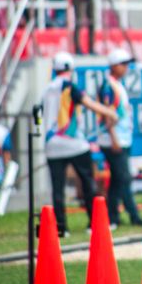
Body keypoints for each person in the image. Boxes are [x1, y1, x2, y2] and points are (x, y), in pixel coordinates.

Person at [42, 52, 117, 235]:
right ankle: (94, 224)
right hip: (74, 143)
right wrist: (110, 113)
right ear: (70, 69)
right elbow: (88, 103)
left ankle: (61, 229)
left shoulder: (46, 90)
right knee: (88, 182)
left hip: (52, 145)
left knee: (57, 189)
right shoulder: (69, 86)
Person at [99, 48, 142, 227]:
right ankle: (126, 216)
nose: (127, 68)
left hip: (122, 138)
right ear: (114, 65)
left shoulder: (116, 84)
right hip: (114, 139)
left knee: (119, 179)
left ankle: (116, 217)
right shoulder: (108, 86)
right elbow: (106, 113)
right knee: (122, 178)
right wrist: (114, 139)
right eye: (123, 64)